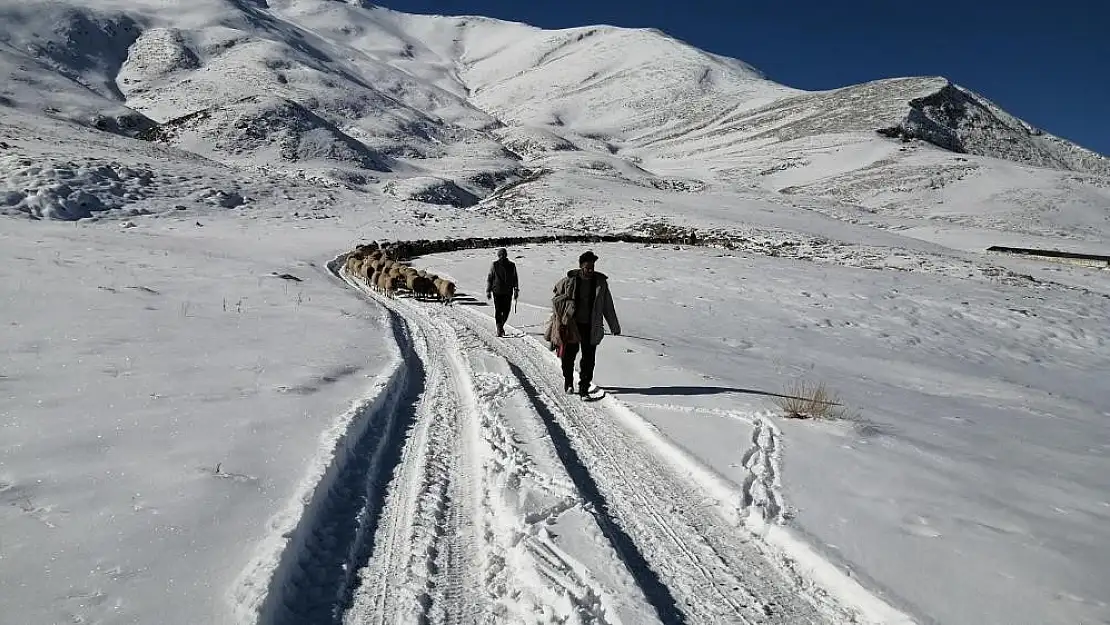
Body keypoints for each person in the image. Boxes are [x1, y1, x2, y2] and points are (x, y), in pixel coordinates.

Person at [545, 250, 621, 396]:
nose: (590, 270)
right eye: (587, 267)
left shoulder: (601, 283)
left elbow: (607, 306)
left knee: (589, 358)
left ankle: (584, 386)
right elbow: (556, 298)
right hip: (572, 325)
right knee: (568, 356)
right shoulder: (569, 281)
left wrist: (614, 326)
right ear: (581, 266)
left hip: (591, 326)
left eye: (592, 267)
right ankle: (568, 381)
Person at [486, 247, 519, 337]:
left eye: (503, 255)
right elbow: (490, 278)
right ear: (498, 256)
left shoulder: (512, 265)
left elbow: (515, 278)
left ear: (506, 255)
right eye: (500, 255)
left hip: (508, 291)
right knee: (498, 310)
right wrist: (488, 290)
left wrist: (516, 289)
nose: (502, 256)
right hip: (497, 291)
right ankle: (499, 328)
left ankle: (500, 326)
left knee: (507, 311)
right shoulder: (494, 265)